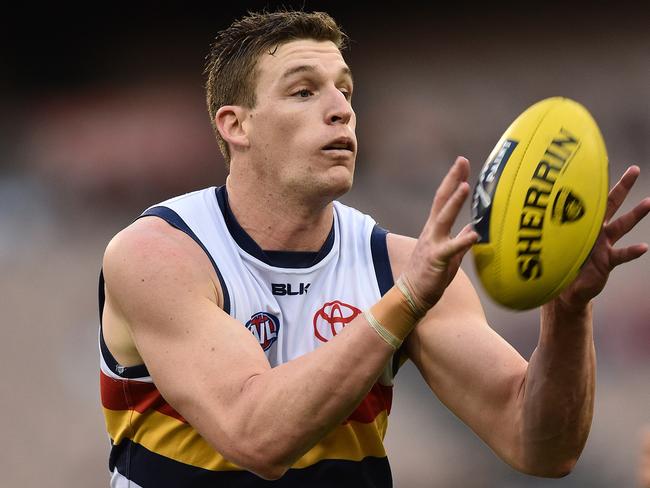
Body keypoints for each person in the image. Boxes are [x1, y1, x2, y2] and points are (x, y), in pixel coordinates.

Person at [98, 9, 650, 487]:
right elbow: (256, 437)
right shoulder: (158, 255)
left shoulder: (400, 266)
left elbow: (543, 448)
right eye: (304, 90)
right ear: (236, 125)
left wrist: (568, 308)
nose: (340, 108)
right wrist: (404, 301)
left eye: (346, 90)